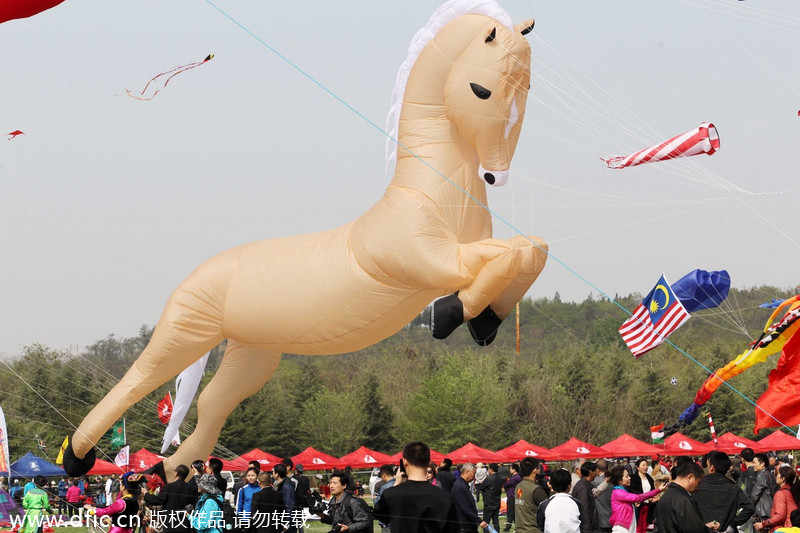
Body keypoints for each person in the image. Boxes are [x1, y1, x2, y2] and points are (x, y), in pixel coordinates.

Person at [373, 441, 459, 533]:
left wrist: (396, 483)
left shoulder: (391, 494)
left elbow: (380, 514)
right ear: (429, 462)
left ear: (404, 462)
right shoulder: (444, 498)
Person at [694, 451, 754, 532]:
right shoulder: (733, 487)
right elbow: (749, 508)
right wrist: (733, 524)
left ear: (711, 467)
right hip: (726, 529)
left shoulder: (697, 486)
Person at [654, 461, 718, 533]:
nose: (698, 488)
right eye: (698, 482)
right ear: (690, 477)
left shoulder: (666, 495)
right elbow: (694, 529)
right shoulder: (684, 500)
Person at [609, 465, 666, 533]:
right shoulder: (618, 492)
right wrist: (658, 490)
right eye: (627, 476)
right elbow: (638, 497)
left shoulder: (623, 491)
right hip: (621, 529)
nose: (629, 478)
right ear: (619, 480)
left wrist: (633, 504)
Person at [142, 464, 195, 533]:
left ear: (176, 474)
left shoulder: (169, 487)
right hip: (185, 524)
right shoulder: (191, 489)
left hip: (170, 524)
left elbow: (157, 500)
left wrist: (146, 493)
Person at [755, 466, 800, 532]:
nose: (776, 476)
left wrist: (764, 524)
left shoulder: (781, 494)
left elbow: (780, 516)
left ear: (783, 479)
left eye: (778, 474)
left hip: (784, 529)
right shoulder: (794, 491)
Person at [537, 469, 580, 533]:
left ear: (551, 485)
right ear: (569, 486)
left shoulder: (544, 505)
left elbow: (541, 526)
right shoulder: (577, 503)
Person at [514, 457, 547, 533]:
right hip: (533, 530)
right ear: (534, 470)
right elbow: (549, 509)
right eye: (539, 468)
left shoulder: (518, 486)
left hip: (520, 530)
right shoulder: (535, 489)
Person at [451, 463, 487, 533]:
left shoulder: (463, 484)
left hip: (469, 524)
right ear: (467, 471)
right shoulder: (459, 486)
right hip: (464, 525)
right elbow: (465, 508)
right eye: (474, 473)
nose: (474, 477)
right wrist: (479, 521)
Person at [628, 458, 656, 533]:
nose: (645, 467)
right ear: (637, 467)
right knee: (638, 527)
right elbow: (631, 491)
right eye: (643, 465)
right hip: (638, 506)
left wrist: (652, 497)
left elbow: (652, 490)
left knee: (645, 527)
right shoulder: (633, 478)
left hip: (648, 506)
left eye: (647, 465)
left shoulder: (649, 478)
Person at [572, 461, 598, 533]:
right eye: (595, 471)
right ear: (591, 472)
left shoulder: (584, 484)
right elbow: (584, 508)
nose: (596, 474)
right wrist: (587, 529)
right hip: (586, 528)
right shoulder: (583, 487)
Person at [478, 463, 504, 532]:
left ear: (491, 469)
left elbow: (482, 487)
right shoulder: (500, 478)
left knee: (486, 521)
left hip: (489, 502)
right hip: (497, 501)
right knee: (496, 520)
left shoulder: (489, 478)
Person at [752, 453, 777, 522]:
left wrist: (748, 507)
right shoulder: (769, 474)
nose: (753, 465)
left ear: (762, 464)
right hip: (770, 509)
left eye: (754, 462)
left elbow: (754, 496)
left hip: (763, 512)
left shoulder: (761, 476)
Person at [272, 464, 296, 532]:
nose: (272, 474)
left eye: (273, 472)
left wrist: (285, 523)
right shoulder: (278, 484)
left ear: (277, 474)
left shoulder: (287, 486)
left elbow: (289, 506)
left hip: (286, 522)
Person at [503, 463, 522, 532]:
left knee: (510, 513)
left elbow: (506, 485)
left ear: (514, 470)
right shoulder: (519, 477)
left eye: (511, 469)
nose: (510, 470)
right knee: (515, 513)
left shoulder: (515, 478)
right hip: (516, 496)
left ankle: (508, 527)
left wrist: (505, 481)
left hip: (512, 496)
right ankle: (516, 526)